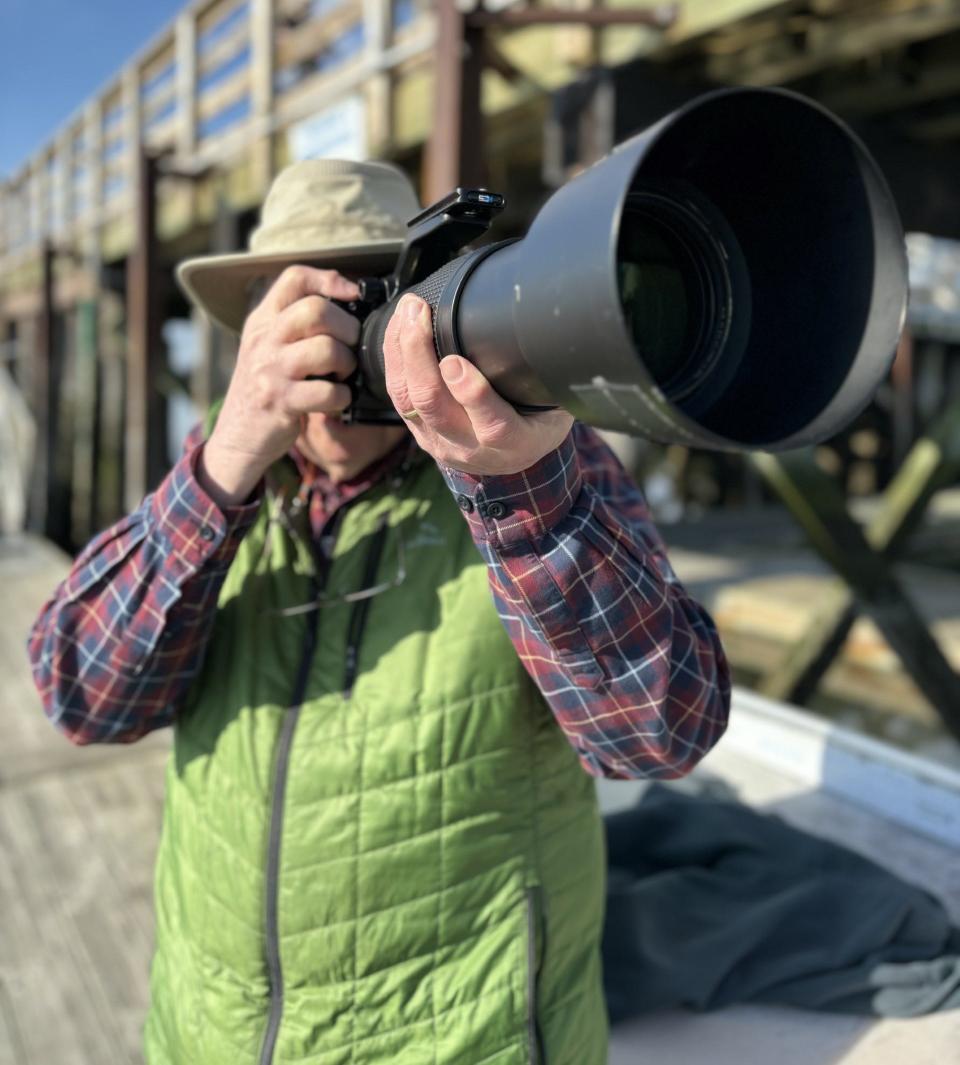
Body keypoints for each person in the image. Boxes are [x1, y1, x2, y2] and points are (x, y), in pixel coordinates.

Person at [27, 159, 730, 1065]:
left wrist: (521, 497)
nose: (334, 339)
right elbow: (81, 694)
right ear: (251, 328)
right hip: (210, 1033)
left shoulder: (536, 465)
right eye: (298, 306)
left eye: (367, 296)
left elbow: (661, 734)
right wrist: (224, 463)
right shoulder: (223, 470)